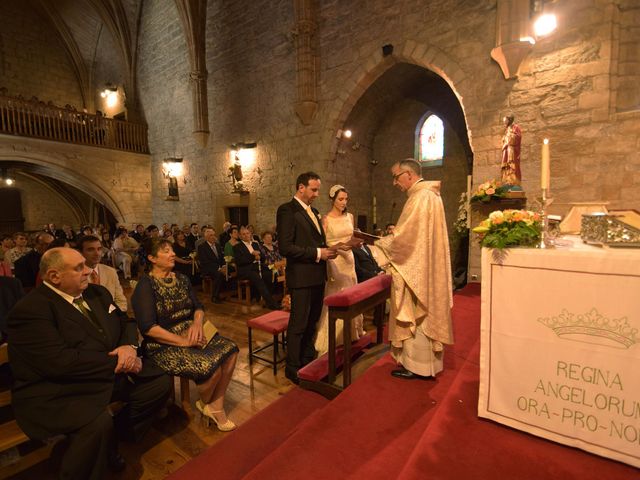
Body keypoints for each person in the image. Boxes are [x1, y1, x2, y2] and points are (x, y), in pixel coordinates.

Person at [7, 247, 171, 480]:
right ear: (54, 276)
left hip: (105, 372)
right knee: (96, 423)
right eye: (79, 268)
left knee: (159, 384)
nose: (88, 271)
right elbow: (60, 362)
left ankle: (117, 438)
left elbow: (126, 323)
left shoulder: (98, 293)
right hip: (62, 387)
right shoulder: (31, 310)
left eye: (85, 264)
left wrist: (129, 348)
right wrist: (120, 362)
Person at [131, 238, 239, 431]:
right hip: (162, 342)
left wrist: (197, 323)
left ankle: (215, 405)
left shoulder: (181, 278)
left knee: (231, 350)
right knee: (211, 367)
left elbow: (198, 306)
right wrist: (182, 341)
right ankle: (209, 403)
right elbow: (148, 328)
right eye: (166, 251)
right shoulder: (145, 286)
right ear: (152, 258)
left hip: (190, 330)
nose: (173, 254)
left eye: (172, 250)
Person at [371, 159, 453, 380]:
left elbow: (405, 239)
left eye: (396, 177)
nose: (394, 182)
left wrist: (380, 244)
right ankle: (426, 365)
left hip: (418, 266)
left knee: (415, 311)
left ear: (408, 174)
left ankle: (417, 366)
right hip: (426, 263)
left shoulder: (420, 197)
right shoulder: (430, 195)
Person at [277, 172, 337, 384]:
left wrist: (330, 250)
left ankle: (305, 359)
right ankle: (292, 368)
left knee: (312, 322)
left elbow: (314, 241)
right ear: (300, 188)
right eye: (313, 189)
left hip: (317, 275)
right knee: (298, 324)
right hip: (301, 277)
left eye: (317, 189)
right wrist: (319, 253)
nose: (316, 194)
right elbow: (285, 247)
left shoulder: (315, 211)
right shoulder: (287, 210)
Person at [314, 185, 365, 355]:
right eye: (340, 199)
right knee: (337, 294)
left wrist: (357, 241)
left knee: (351, 292)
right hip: (335, 261)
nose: (344, 202)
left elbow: (352, 237)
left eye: (346, 199)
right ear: (332, 199)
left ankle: (351, 332)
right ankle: (333, 337)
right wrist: (339, 246)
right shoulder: (325, 219)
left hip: (349, 259)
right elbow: (325, 244)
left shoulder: (350, 216)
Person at [233, 226, 280, 310]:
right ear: (240, 236)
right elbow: (240, 261)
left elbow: (262, 257)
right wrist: (253, 256)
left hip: (257, 267)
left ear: (250, 234)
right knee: (257, 277)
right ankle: (271, 303)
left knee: (272, 274)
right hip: (246, 270)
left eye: (247, 233)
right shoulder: (237, 247)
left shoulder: (255, 244)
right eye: (243, 234)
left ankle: (267, 298)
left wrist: (259, 255)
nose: (246, 235)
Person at [78, 235, 128, 312]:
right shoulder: (76, 275)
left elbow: (120, 300)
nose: (97, 253)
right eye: (90, 250)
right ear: (80, 253)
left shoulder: (110, 271)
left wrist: (115, 315)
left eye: (99, 249)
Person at [197, 227, 226, 304]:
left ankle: (228, 291)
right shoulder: (202, 247)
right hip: (208, 268)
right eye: (210, 235)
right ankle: (215, 296)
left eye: (214, 235)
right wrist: (219, 268)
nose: (213, 237)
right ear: (206, 237)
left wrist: (223, 266)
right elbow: (205, 262)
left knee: (232, 269)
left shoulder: (217, 245)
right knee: (219, 274)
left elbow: (222, 258)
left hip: (218, 267)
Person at [501, 113, 522, 187]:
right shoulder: (506, 129)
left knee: (512, 165)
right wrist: (505, 139)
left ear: (509, 119)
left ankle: (513, 181)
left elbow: (517, 137)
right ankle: (506, 180)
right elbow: (503, 139)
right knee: (506, 166)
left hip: (512, 150)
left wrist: (510, 137)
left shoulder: (516, 127)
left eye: (505, 120)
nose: (504, 122)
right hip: (506, 150)